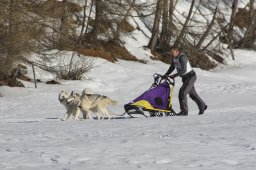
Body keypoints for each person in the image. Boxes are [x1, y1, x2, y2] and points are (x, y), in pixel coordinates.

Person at [163, 46, 207, 116]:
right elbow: (172, 67)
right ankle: (202, 105)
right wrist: (165, 75)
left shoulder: (182, 57)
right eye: (170, 52)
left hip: (190, 77)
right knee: (192, 94)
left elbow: (184, 70)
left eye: (172, 52)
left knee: (182, 93)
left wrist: (174, 75)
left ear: (177, 51)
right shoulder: (174, 58)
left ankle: (184, 112)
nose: (171, 54)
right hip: (185, 78)